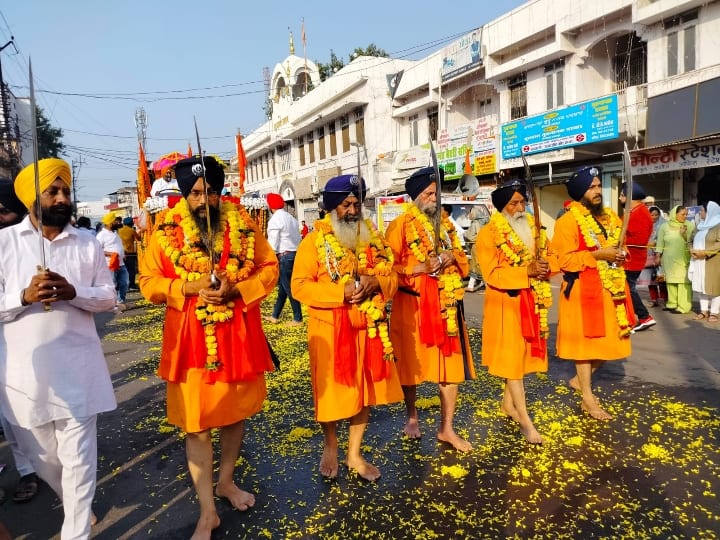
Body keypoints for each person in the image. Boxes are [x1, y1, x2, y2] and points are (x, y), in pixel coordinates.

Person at [139, 155, 277, 540]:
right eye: (196, 193)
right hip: (190, 345)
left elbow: (269, 269)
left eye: (212, 192)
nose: (204, 200)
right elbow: (148, 281)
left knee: (235, 417)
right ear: (185, 196)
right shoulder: (164, 231)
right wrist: (186, 287)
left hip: (238, 338)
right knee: (196, 427)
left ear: (221, 193)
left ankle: (227, 482)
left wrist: (238, 288)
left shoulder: (243, 225)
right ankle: (207, 511)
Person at [0, 158, 117, 538]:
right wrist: (23, 296)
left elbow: (107, 298)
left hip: (80, 369)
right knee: (48, 461)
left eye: (66, 190)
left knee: (80, 461)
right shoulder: (3, 244)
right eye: (53, 190)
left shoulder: (87, 242)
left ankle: (76, 529)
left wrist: (74, 292)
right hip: (25, 379)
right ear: (31, 197)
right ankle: (72, 502)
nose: (63, 197)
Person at [291, 174, 403, 481]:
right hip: (328, 328)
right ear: (332, 208)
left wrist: (376, 282)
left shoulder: (373, 239)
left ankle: (354, 453)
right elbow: (298, 286)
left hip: (367, 327)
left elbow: (393, 279)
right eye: (345, 204)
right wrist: (338, 293)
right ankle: (330, 444)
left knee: (363, 393)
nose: (352, 210)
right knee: (332, 396)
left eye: (357, 203)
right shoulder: (313, 242)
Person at [385, 166, 476, 452]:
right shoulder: (399, 225)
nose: (435, 198)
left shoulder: (447, 226)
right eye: (429, 193)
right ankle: (411, 417)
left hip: (446, 307)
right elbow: (386, 270)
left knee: (450, 370)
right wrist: (419, 268)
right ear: (416, 197)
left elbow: (464, 262)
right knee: (410, 368)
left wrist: (450, 256)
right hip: (411, 308)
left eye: (438, 193)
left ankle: (446, 428)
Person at [551, 166, 633, 421]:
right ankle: (588, 398)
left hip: (610, 288)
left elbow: (619, 244)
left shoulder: (610, 217)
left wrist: (622, 252)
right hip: (581, 291)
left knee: (615, 342)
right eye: (592, 187)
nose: (598, 191)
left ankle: (579, 381)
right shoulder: (567, 222)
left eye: (599, 186)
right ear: (580, 193)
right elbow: (563, 261)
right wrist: (599, 255)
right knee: (585, 347)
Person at [477, 180, 553, 444]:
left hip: (532, 302)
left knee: (520, 360)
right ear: (503, 208)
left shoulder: (534, 229)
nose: (520, 207)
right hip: (505, 305)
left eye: (523, 202)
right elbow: (492, 274)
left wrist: (545, 265)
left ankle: (509, 406)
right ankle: (526, 421)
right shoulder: (489, 233)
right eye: (514, 203)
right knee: (512, 364)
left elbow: (551, 256)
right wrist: (526, 272)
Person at [0, 179, 40, 505]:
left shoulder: (31, 244)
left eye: (4, 212)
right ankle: (27, 470)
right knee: (10, 417)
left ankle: (41, 472)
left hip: (28, 347)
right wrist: (21, 297)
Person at [620, 182, 655, 331]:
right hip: (629, 257)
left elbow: (638, 240)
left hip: (632, 259)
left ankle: (644, 317)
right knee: (625, 288)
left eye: (622, 195)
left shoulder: (640, 213)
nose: (620, 198)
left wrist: (618, 242)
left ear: (630, 197)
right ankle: (631, 318)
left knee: (628, 288)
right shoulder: (633, 211)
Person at [264, 193, 303, 326]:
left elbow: (272, 242)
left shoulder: (275, 219)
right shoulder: (290, 217)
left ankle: (298, 318)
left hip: (284, 256)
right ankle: (275, 315)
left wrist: (269, 256)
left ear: (270, 206)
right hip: (294, 254)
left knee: (288, 287)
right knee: (283, 288)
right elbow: (298, 237)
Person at [654, 205, 695, 314]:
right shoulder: (664, 226)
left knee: (683, 282)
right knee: (671, 281)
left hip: (683, 258)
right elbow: (660, 242)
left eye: (686, 214)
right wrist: (658, 255)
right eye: (683, 214)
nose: (685, 216)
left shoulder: (689, 226)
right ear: (674, 214)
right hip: (668, 259)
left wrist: (684, 235)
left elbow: (691, 243)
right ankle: (672, 304)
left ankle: (683, 307)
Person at [689, 201, 720, 322]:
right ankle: (703, 311)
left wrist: (704, 252)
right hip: (698, 260)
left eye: (702, 210)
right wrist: (691, 250)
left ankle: (714, 312)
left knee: (714, 287)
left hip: (712, 261)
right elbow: (691, 240)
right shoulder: (700, 225)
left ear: (709, 212)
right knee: (701, 286)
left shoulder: (718, 225)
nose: (700, 212)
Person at [96, 212, 129, 311]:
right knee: (112, 285)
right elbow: (97, 250)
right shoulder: (101, 235)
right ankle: (114, 304)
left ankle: (120, 301)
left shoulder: (115, 233)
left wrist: (123, 253)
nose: (118, 222)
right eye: (116, 221)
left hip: (121, 263)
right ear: (110, 223)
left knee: (125, 282)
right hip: (110, 264)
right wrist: (110, 254)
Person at [646, 205, 668, 307]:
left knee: (661, 278)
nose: (654, 217)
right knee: (650, 279)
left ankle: (664, 298)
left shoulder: (664, 225)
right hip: (648, 254)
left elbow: (665, 239)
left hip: (660, 254)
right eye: (652, 215)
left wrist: (656, 243)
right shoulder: (645, 224)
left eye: (656, 215)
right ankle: (654, 299)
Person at [464, 205, 486, 292]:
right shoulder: (484, 222)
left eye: (470, 212)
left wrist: (465, 234)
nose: (469, 214)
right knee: (480, 265)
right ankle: (471, 285)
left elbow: (471, 237)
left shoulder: (475, 224)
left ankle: (472, 286)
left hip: (476, 246)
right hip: (483, 246)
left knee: (476, 265)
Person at [118, 216, 141, 291]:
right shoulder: (131, 231)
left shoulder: (119, 230)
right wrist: (140, 231)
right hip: (130, 254)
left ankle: (123, 285)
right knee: (131, 270)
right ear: (131, 223)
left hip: (121, 253)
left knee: (122, 270)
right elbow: (139, 239)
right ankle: (131, 285)